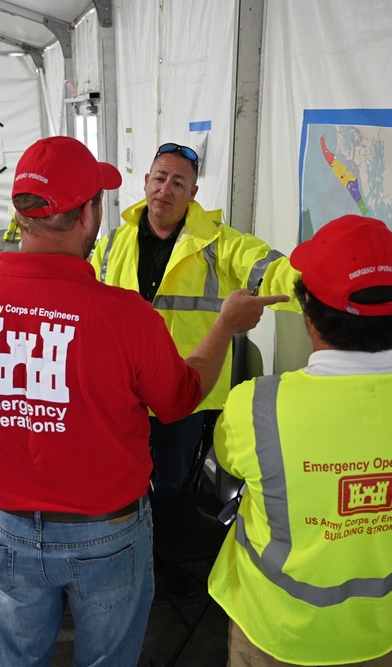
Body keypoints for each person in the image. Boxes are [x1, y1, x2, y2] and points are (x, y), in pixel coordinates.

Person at [0, 136, 286, 666]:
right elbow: (180, 398)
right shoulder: (126, 316)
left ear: (21, 214)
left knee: (19, 657)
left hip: (5, 528)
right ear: (89, 214)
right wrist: (225, 327)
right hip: (106, 534)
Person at [208, 215, 392, 667]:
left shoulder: (257, 405)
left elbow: (230, 463)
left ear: (308, 310)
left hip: (274, 633)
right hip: (378, 633)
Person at [90, 142, 303, 500]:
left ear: (193, 194)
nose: (165, 189)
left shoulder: (220, 243)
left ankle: (163, 550)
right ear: (145, 182)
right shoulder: (111, 244)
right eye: (160, 178)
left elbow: (273, 268)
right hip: (121, 389)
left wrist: (324, 289)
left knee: (172, 489)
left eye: (177, 183)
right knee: (119, 480)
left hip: (186, 389)